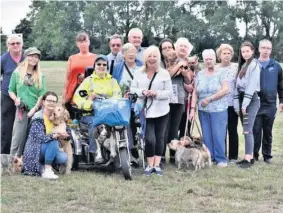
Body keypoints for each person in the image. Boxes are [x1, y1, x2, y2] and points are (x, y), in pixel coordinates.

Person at [130, 46, 173, 176]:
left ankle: (157, 165)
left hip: (162, 110)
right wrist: (142, 92)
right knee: (149, 139)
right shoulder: (139, 72)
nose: (152, 59)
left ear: (158, 58)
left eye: (155, 56)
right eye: (149, 56)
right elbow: (132, 88)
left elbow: (169, 92)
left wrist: (156, 94)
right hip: (145, 111)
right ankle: (149, 165)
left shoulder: (164, 73)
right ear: (145, 58)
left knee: (160, 138)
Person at [73, 55, 121, 163]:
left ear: (107, 67)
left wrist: (110, 101)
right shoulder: (87, 81)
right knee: (94, 124)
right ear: (94, 66)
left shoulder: (113, 81)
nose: (101, 66)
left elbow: (118, 96)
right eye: (99, 64)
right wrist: (89, 102)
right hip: (91, 114)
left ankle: (120, 151)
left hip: (107, 113)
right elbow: (77, 98)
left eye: (104, 64)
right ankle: (95, 153)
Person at [190, 49, 229, 168]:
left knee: (218, 134)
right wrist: (192, 109)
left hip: (218, 109)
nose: (208, 61)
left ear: (215, 59)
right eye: (206, 59)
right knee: (206, 135)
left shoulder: (221, 73)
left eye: (210, 59)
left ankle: (220, 158)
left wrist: (210, 99)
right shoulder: (200, 74)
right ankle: (209, 157)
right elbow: (195, 93)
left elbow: (225, 89)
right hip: (203, 111)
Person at [8, 47, 46, 157]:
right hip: (21, 109)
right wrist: (16, 100)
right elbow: (11, 90)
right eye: (31, 56)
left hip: (35, 110)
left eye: (36, 57)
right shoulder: (17, 73)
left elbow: (42, 94)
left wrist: (35, 109)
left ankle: (29, 160)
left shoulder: (40, 76)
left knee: (33, 136)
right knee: (18, 136)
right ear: (26, 57)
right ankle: (13, 160)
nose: (34, 59)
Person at [23, 91, 69, 179]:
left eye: (54, 101)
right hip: (35, 149)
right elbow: (40, 138)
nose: (51, 103)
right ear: (43, 102)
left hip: (48, 148)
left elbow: (68, 131)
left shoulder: (57, 115)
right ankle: (47, 169)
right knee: (53, 141)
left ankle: (45, 165)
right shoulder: (38, 117)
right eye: (49, 100)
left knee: (63, 157)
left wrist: (66, 136)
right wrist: (54, 135)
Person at [112, 43, 143, 163]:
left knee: (137, 123)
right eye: (127, 52)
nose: (131, 54)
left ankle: (137, 148)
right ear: (123, 55)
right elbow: (114, 83)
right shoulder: (117, 67)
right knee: (126, 123)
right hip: (123, 102)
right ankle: (130, 151)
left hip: (139, 101)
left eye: (133, 51)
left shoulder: (141, 66)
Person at [253, 39, 283, 164]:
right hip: (255, 104)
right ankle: (254, 155)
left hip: (270, 104)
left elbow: (281, 85)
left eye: (268, 48)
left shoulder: (276, 66)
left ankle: (267, 156)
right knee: (255, 130)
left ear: (271, 50)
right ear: (259, 49)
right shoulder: (252, 64)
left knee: (268, 131)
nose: (266, 50)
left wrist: (281, 100)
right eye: (263, 48)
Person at [234, 41, 261, 168]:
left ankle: (249, 158)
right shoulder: (244, 65)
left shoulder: (254, 65)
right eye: (243, 51)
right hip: (241, 98)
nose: (245, 53)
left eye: (247, 51)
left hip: (250, 100)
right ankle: (247, 155)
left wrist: (244, 104)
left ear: (252, 51)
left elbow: (251, 87)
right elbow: (237, 85)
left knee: (247, 129)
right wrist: (237, 103)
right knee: (245, 129)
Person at [62, 32, 97, 118]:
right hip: (73, 93)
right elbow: (67, 78)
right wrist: (64, 96)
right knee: (73, 121)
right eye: (80, 42)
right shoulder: (72, 58)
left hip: (90, 94)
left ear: (89, 42)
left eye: (85, 41)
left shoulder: (96, 58)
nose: (83, 44)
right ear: (77, 44)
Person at [1, 34, 24, 154]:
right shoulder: (3, 59)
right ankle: (4, 156)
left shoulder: (27, 57)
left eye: (18, 43)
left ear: (22, 44)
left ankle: (23, 155)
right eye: (12, 43)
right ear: (8, 46)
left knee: (25, 126)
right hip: (7, 97)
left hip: (25, 96)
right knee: (7, 127)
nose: (15, 45)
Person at [216, 44, 239, 162]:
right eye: (224, 53)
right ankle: (222, 154)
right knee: (221, 131)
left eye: (229, 53)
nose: (227, 55)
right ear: (219, 55)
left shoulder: (236, 67)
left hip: (232, 104)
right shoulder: (216, 68)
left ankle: (233, 156)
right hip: (219, 104)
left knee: (232, 130)